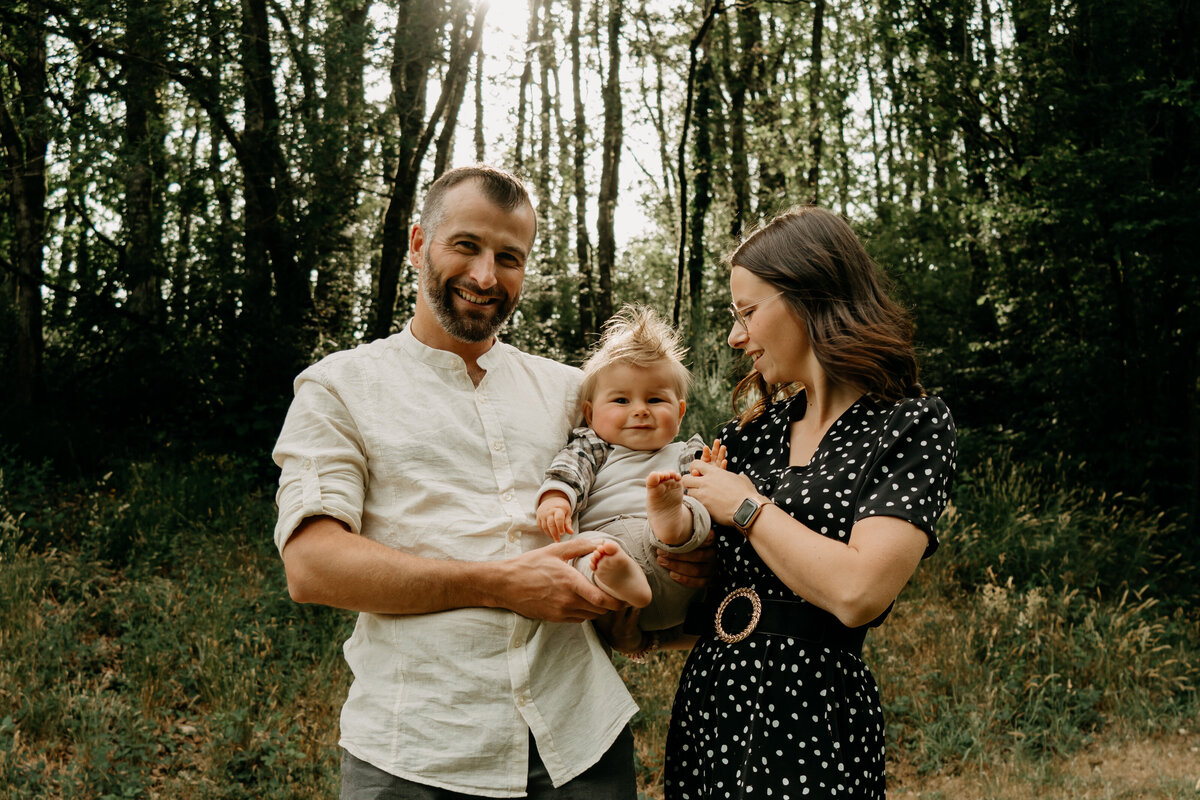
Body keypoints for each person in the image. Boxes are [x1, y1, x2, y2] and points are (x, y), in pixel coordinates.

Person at [271, 165, 709, 799]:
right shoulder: (339, 387)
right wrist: (498, 584)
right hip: (417, 751)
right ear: (420, 243)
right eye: (466, 246)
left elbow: (652, 482)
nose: (485, 276)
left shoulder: (572, 392)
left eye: (509, 257)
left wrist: (682, 558)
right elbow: (312, 567)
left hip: (580, 743)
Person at [651, 205, 957, 798]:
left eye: (747, 312)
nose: (737, 336)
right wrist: (689, 561)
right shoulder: (748, 436)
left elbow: (859, 591)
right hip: (712, 704)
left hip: (814, 713)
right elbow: (717, 587)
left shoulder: (909, 427)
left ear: (810, 295)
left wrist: (746, 508)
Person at [536, 305, 723, 634]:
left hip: (673, 559)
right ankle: (620, 574)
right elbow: (568, 471)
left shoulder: (684, 451)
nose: (639, 411)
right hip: (612, 555)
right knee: (586, 547)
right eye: (621, 401)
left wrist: (712, 474)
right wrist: (556, 499)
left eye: (654, 400)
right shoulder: (593, 446)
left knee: (693, 508)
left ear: (679, 413)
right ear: (590, 414)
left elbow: (708, 490)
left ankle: (669, 520)